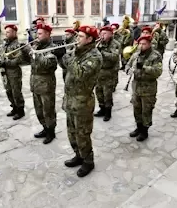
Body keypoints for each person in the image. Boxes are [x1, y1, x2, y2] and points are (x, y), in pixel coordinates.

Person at [62, 25, 103, 177]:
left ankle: (88, 161)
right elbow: (67, 67)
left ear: (90, 39)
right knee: (71, 133)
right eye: (77, 36)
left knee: (82, 134)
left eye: (80, 36)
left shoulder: (95, 56)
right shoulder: (78, 52)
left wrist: (69, 58)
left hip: (83, 103)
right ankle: (78, 155)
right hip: (71, 100)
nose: (77, 39)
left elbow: (80, 74)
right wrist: (63, 57)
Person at [125, 35, 162, 142]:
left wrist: (144, 68)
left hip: (148, 89)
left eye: (144, 44)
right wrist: (128, 70)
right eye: (140, 44)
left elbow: (158, 71)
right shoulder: (136, 55)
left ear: (149, 44)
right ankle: (138, 127)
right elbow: (127, 65)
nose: (141, 46)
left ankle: (145, 131)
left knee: (146, 110)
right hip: (136, 87)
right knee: (136, 109)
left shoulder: (155, 56)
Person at [28, 23, 58, 144]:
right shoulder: (37, 46)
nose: (37, 35)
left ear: (47, 34)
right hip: (35, 83)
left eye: (40, 33)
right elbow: (28, 61)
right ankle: (44, 128)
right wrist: (27, 53)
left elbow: (48, 64)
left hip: (46, 84)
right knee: (39, 110)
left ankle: (51, 131)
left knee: (48, 111)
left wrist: (35, 54)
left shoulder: (52, 47)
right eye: (37, 33)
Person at [0, 24, 26, 120]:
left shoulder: (17, 45)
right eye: (6, 32)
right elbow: (2, 55)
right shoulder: (5, 44)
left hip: (14, 72)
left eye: (8, 32)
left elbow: (18, 60)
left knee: (16, 91)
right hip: (5, 72)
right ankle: (14, 107)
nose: (6, 34)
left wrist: (5, 62)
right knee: (8, 91)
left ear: (14, 32)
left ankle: (20, 110)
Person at [94, 25, 121, 121]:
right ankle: (102, 109)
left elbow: (114, 57)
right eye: (101, 33)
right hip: (99, 72)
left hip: (109, 73)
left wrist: (102, 53)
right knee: (99, 92)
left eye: (105, 33)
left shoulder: (115, 44)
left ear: (110, 34)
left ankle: (108, 112)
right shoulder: (100, 43)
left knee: (107, 94)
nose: (102, 35)